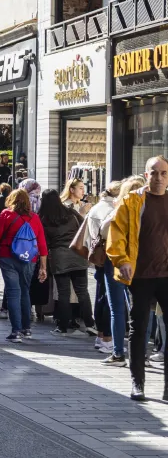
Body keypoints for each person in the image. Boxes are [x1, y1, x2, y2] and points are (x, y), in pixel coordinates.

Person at [107, 156, 168, 400]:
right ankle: (137, 383)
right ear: (146, 175)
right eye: (154, 173)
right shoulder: (132, 201)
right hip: (140, 274)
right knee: (139, 328)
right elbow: (117, 233)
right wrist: (121, 261)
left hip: (166, 275)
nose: (159, 178)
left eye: (163, 173)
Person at [98, 176, 144, 366]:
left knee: (116, 308)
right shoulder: (148, 211)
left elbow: (103, 231)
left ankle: (118, 353)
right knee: (143, 309)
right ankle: (143, 354)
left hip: (117, 262)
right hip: (142, 261)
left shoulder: (119, 211)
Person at [0, 188, 47, 343]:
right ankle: (26, 329)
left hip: (8, 257)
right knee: (25, 291)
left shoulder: (6, 214)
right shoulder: (35, 218)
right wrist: (43, 267)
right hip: (29, 259)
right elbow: (42, 244)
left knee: (13, 293)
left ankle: (15, 331)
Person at [39, 188, 95, 337]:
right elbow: (84, 226)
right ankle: (90, 324)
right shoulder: (71, 212)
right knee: (82, 291)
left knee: (63, 293)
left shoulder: (44, 219)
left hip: (59, 257)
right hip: (78, 255)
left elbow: (44, 242)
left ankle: (62, 326)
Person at [84, 180, 128, 359]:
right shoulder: (112, 210)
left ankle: (102, 336)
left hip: (102, 257)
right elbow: (105, 232)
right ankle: (108, 339)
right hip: (111, 257)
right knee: (111, 301)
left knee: (102, 297)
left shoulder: (98, 208)